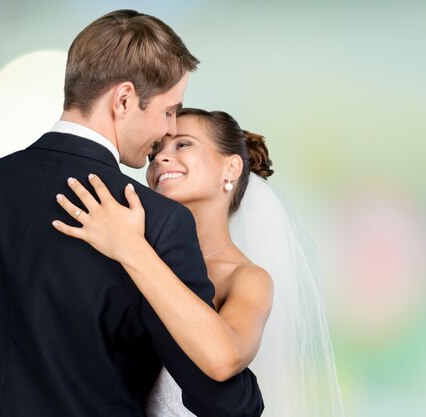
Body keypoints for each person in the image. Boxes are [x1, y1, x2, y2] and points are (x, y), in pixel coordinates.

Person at [0, 10, 263, 417]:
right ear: (123, 100)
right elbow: (225, 403)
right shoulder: (153, 219)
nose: (168, 129)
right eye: (169, 110)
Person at [52, 108, 346, 417]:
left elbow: (224, 359)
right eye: (155, 153)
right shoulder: (126, 254)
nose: (161, 159)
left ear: (231, 167)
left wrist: (130, 249)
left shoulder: (246, 279)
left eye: (182, 144)